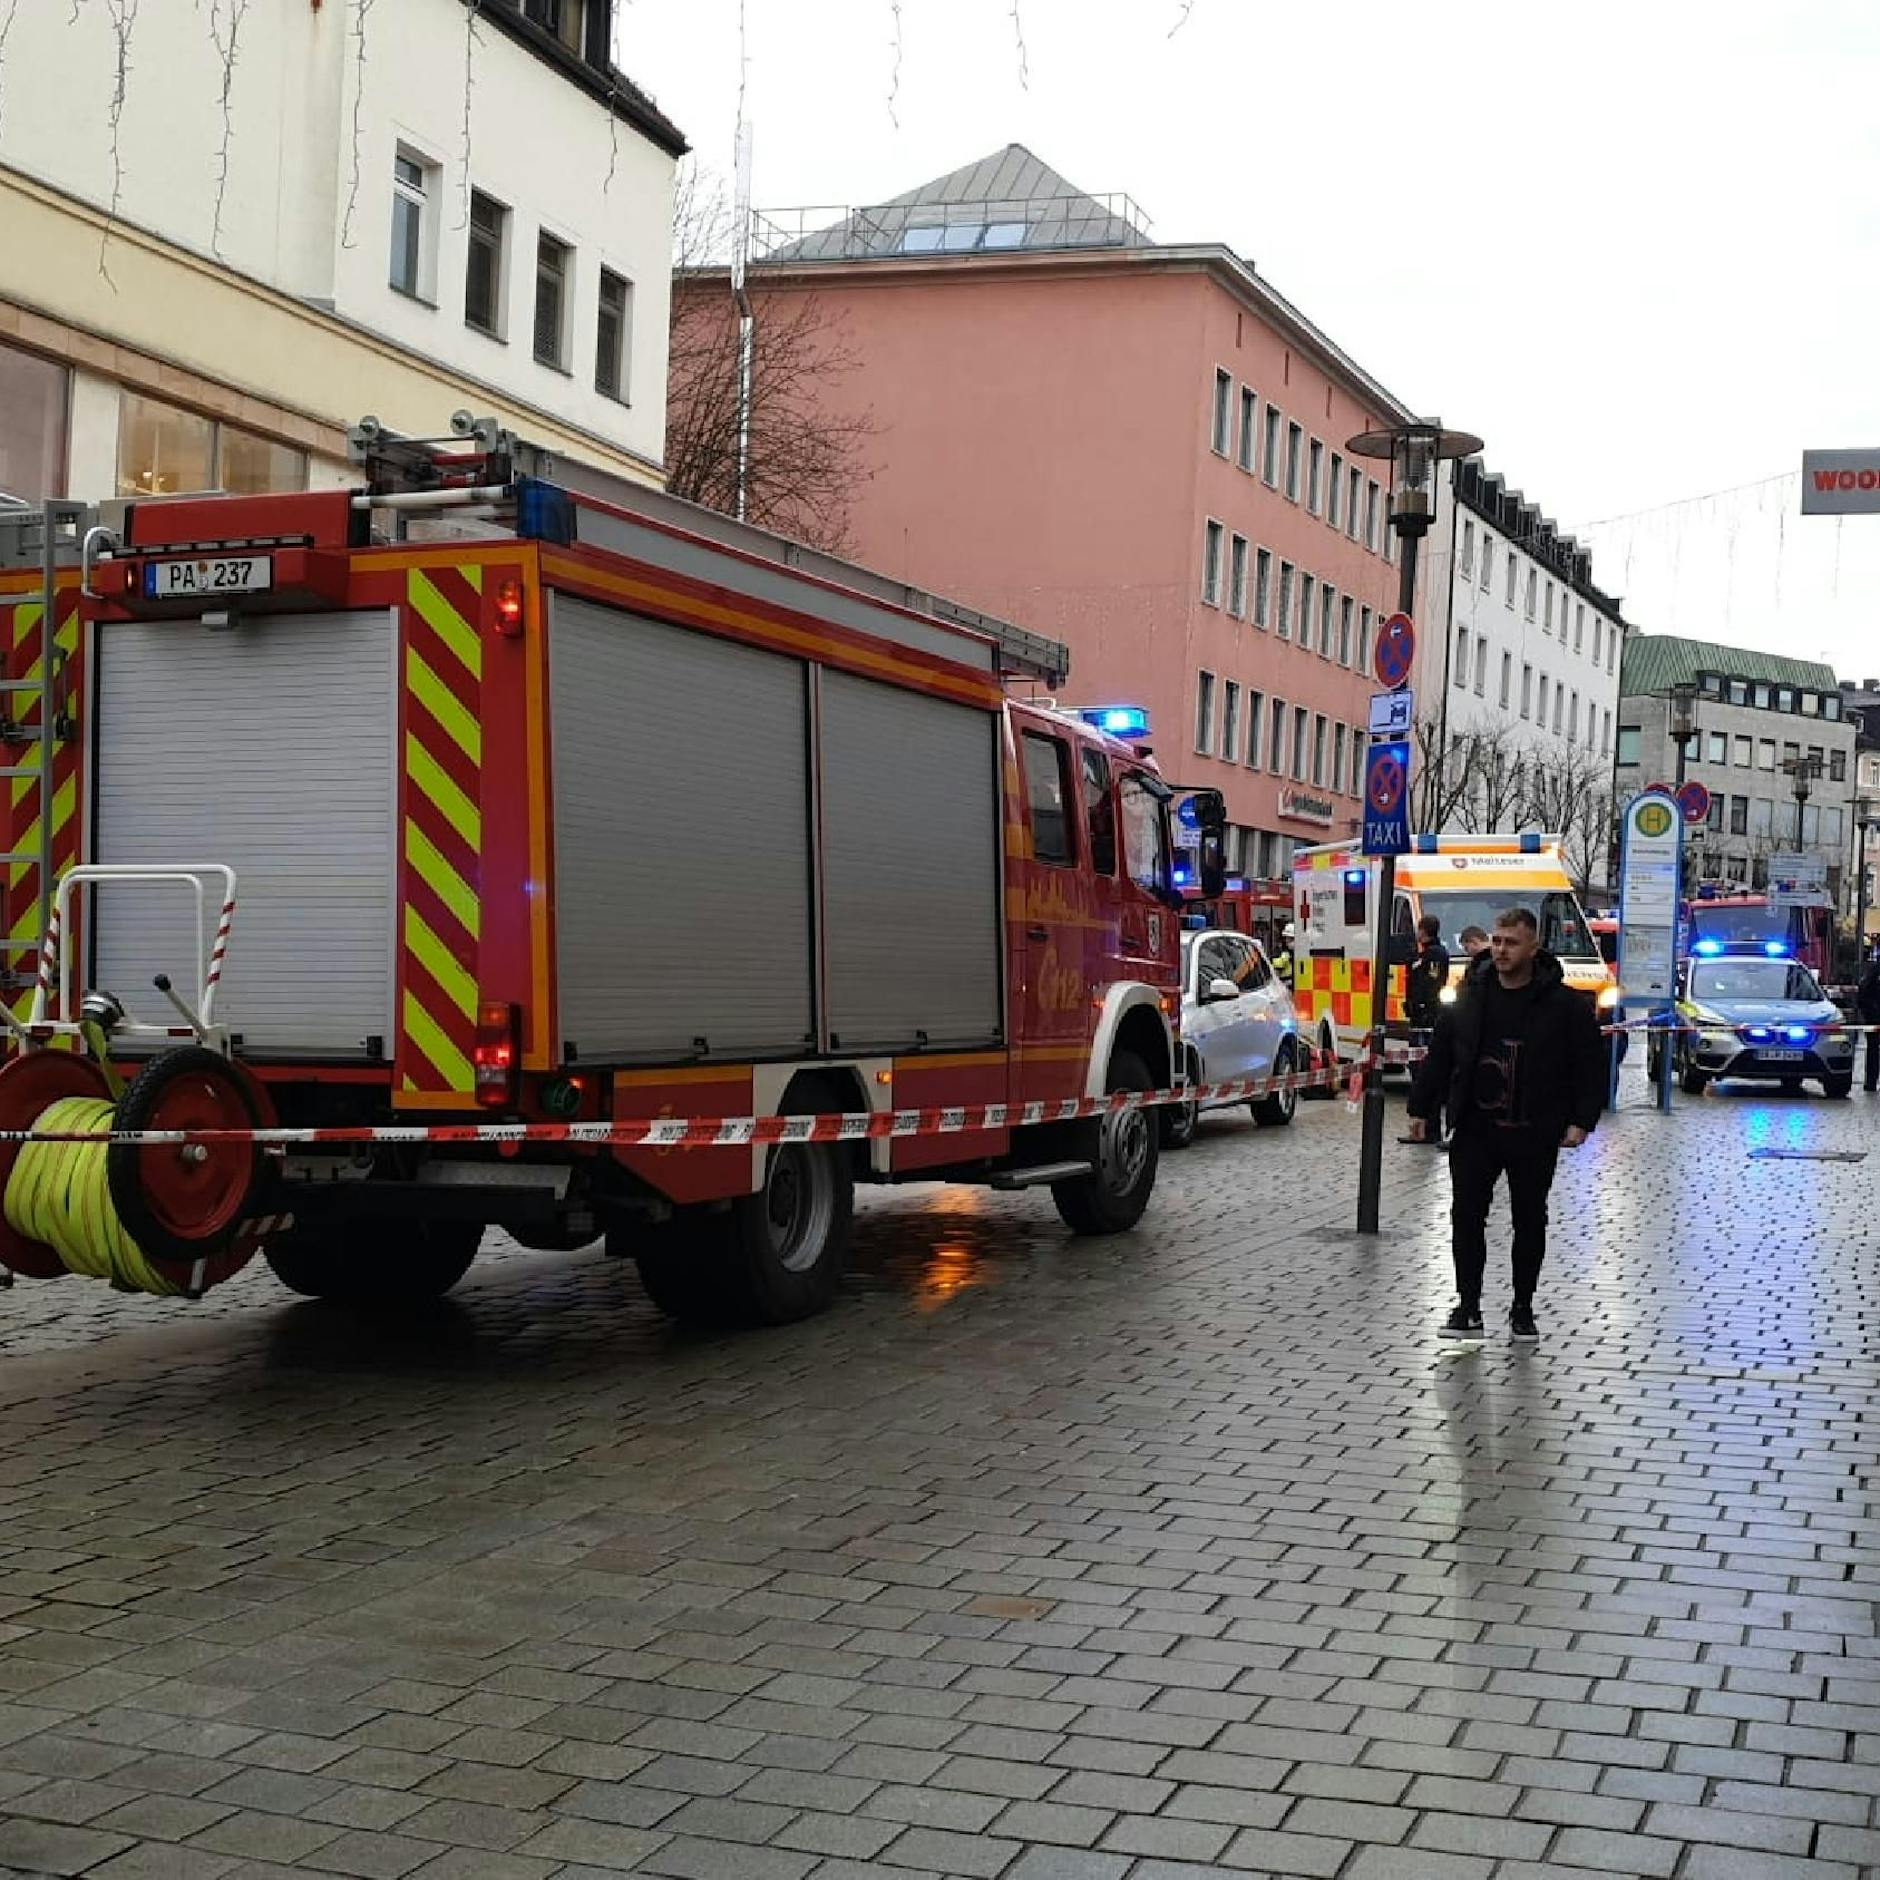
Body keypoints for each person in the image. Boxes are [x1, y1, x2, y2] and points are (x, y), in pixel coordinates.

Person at [1407, 905, 1606, 1343]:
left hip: (1535, 1129)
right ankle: (1468, 1306)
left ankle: (1523, 1307)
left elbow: (1589, 1066)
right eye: (1496, 941)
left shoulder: (1565, 1005)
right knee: (1466, 1219)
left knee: (1530, 1221)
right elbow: (1441, 1055)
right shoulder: (1471, 997)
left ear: (1533, 947)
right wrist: (1421, 1109)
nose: (1500, 950)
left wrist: (1581, 1119)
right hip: (1477, 1129)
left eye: (1510, 942)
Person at [1406, 914, 1450, 1031]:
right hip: (1421, 1009)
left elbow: (1432, 981)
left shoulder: (1435, 953)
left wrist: (1422, 1004)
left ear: (1423, 931)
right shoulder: (1425, 953)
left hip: (1427, 1010)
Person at [1859, 947, 1880, 1092]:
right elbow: (1864, 995)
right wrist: (1871, 1015)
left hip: (1873, 1016)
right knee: (1873, 1049)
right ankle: (1871, 1082)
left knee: (1873, 1049)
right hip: (1875, 1018)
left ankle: (1871, 1082)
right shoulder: (1875, 971)